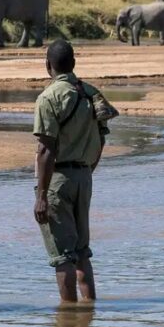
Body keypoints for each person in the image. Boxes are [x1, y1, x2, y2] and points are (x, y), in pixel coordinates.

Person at [33, 40, 105, 303]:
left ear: (47, 66)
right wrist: (87, 169)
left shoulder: (48, 98)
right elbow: (102, 137)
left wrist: (41, 195)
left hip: (58, 180)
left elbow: (45, 150)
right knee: (82, 251)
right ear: (73, 64)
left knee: (63, 256)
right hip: (84, 177)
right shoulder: (90, 93)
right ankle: (88, 314)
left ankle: (70, 322)